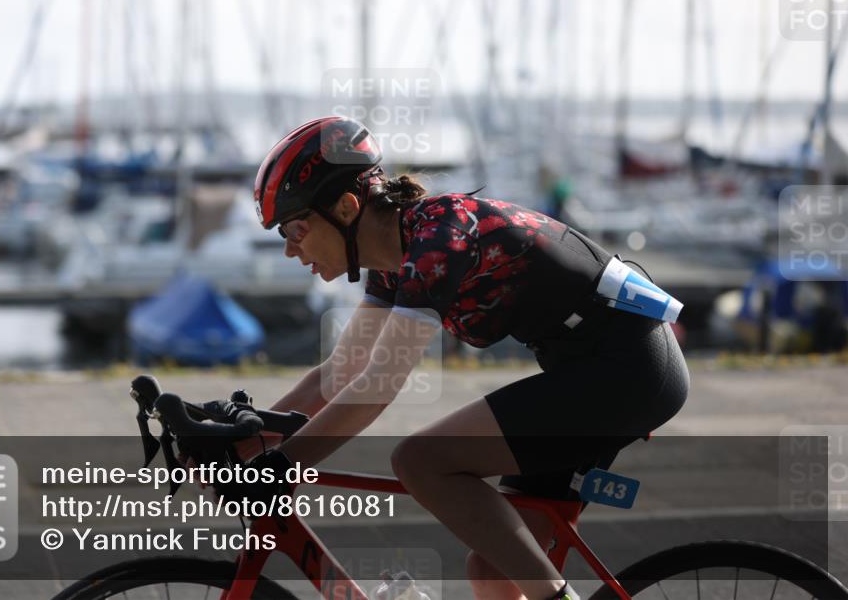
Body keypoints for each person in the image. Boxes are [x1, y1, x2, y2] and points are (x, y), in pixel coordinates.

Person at [245, 116, 690, 600]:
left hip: (628, 368)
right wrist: (247, 439)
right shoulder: (396, 259)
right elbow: (339, 373)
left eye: (294, 228)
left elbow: (375, 387)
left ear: (347, 208)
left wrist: (282, 465)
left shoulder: (439, 240)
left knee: (421, 460)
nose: (290, 249)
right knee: (494, 572)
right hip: (592, 366)